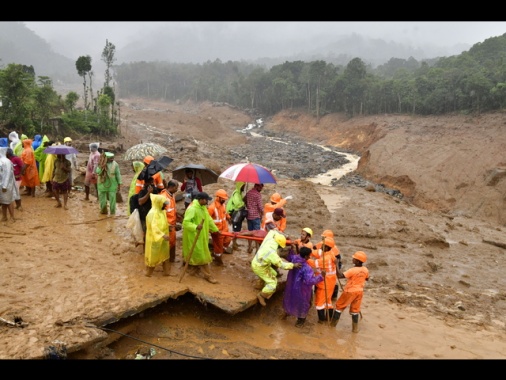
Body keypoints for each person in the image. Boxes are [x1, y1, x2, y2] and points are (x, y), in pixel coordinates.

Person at [251, 230, 301, 306]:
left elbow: (272, 231)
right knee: (273, 283)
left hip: (258, 261)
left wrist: (285, 235)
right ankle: (262, 295)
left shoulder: (270, 238)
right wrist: (293, 265)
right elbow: (282, 265)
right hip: (259, 267)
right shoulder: (272, 253)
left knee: (274, 273)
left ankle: (259, 283)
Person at [182, 191, 220, 284]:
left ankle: (192, 272)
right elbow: (185, 223)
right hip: (194, 236)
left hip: (202, 236)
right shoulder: (192, 209)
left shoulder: (203, 208)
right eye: (206, 200)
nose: (207, 202)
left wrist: (216, 230)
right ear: (201, 200)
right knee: (202, 257)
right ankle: (208, 276)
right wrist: (195, 226)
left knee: (197, 256)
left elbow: (209, 220)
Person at [282, 246, 324, 327]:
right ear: (305, 256)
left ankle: (286, 313)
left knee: (289, 299)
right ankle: (300, 321)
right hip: (302, 289)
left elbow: (289, 255)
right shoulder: (307, 268)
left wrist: (293, 247)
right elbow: (310, 281)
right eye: (309, 255)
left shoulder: (294, 259)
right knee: (303, 304)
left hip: (291, 287)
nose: (310, 257)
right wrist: (321, 276)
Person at [330, 251, 370, 333]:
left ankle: (332, 326)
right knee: (355, 310)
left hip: (350, 291)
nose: (352, 259)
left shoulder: (353, 270)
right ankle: (355, 329)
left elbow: (340, 276)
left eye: (354, 259)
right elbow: (367, 278)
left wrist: (336, 264)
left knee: (339, 307)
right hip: (359, 291)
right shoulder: (365, 269)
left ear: (358, 261)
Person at [308, 236, 338, 324]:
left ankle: (321, 320)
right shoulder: (329, 253)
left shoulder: (327, 259)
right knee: (328, 301)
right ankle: (329, 317)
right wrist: (307, 250)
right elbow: (317, 252)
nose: (321, 246)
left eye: (323, 245)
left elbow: (314, 263)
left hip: (325, 283)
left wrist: (305, 258)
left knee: (319, 303)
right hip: (329, 283)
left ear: (327, 247)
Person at [144, 193, 171, 277]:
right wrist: (163, 235)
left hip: (163, 238)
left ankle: (166, 273)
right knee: (153, 257)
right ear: (159, 203)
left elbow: (163, 223)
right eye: (164, 204)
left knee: (165, 256)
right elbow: (154, 227)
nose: (165, 206)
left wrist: (170, 226)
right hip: (154, 239)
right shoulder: (152, 213)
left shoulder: (162, 211)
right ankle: (148, 274)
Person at [313, 229, 342, 300]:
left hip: (331, 264)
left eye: (324, 237)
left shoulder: (334, 248)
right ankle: (318, 291)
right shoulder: (321, 243)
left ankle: (333, 295)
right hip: (323, 262)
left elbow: (337, 259)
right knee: (321, 277)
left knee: (332, 279)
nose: (322, 239)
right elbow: (314, 248)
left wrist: (336, 268)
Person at [159, 179, 181, 263]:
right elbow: (160, 213)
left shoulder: (172, 195)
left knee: (172, 242)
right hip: (166, 225)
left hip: (172, 223)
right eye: (176, 187)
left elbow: (172, 209)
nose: (177, 189)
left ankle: (171, 260)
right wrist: (167, 225)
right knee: (166, 243)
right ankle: (165, 261)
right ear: (171, 187)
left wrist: (177, 215)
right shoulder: (163, 197)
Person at [208, 189, 231, 266]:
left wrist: (228, 217)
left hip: (225, 229)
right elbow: (207, 219)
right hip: (217, 231)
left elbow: (225, 213)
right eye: (223, 199)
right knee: (218, 247)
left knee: (228, 240)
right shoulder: (212, 208)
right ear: (218, 197)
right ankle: (218, 261)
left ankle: (217, 253)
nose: (224, 200)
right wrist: (211, 230)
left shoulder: (223, 205)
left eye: (225, 199)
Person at [225, 181, 246, 250]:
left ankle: (235, 242)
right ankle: (233, 244)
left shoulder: (239, 193)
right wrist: (243, 203)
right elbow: (238, 203)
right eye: (243, 186)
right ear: (240, 186)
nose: (244, 187)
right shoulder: (236, 193)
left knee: (237, 228)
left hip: (236, 212)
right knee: (235, 228)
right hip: (233, 213)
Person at [0, 147, 19, 223]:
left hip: (7, 185)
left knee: (9, 201)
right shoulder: (2, 161)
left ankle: (12, 217)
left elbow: (7, 174)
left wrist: (4, 185)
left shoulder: (6, 162)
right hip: (1, 184)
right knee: (3, 201)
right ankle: (4, 216)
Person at [245, 183, 264, 254]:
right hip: (256, 216)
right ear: (257, 186)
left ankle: (249, 247)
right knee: (257, 234)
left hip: (249, 216)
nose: (261, 189)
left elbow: (245, 202)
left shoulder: (248, 193)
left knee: (250, 233)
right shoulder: (258, 195)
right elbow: (260, 207)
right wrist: (263, 213)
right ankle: (257, 249)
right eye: (260, 188)